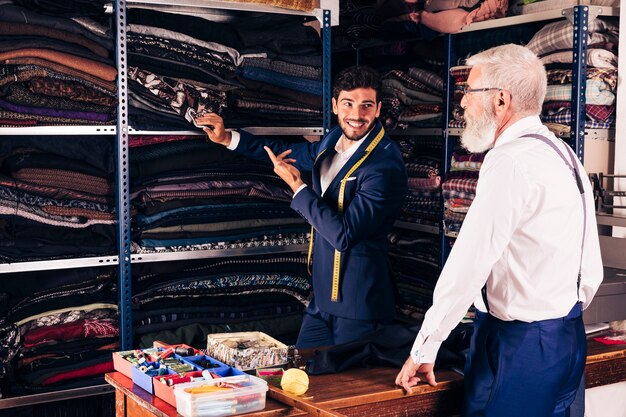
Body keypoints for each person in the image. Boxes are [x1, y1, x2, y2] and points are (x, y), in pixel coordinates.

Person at [395, 44, 603, 417]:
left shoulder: (509, 160)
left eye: (469, 92)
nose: (461, 104)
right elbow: (589, 262)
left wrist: (426, 346)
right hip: (567, 338)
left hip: (519, 347)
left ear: (501, 100)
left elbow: (469, 263)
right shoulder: (564, 153)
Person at [195, 65, 408, 348]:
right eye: (348, 104)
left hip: (358, 303)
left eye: (366, 106)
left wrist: (298, 188)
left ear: (378, 109)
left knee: (343, 388)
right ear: (334, 106)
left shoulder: (384, 164)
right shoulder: (333, 140)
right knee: (301, 376)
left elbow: (344, 235)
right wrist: (228, 138)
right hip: (321, 298)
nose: (357, 115)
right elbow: (285, 153)